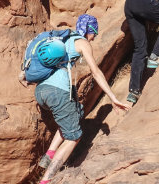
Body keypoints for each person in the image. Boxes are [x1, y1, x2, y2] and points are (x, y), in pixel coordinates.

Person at [20, 13, 129, 184]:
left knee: (76, 113)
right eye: (95, 33)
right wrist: (113, 97)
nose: (94, 38)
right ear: (89, 30)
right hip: (58, 92)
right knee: (74, 137)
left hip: (41, 91)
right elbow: (96, 72)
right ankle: (46, 180)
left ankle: (49, 154)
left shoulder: (61, 38)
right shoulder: (82, 42)